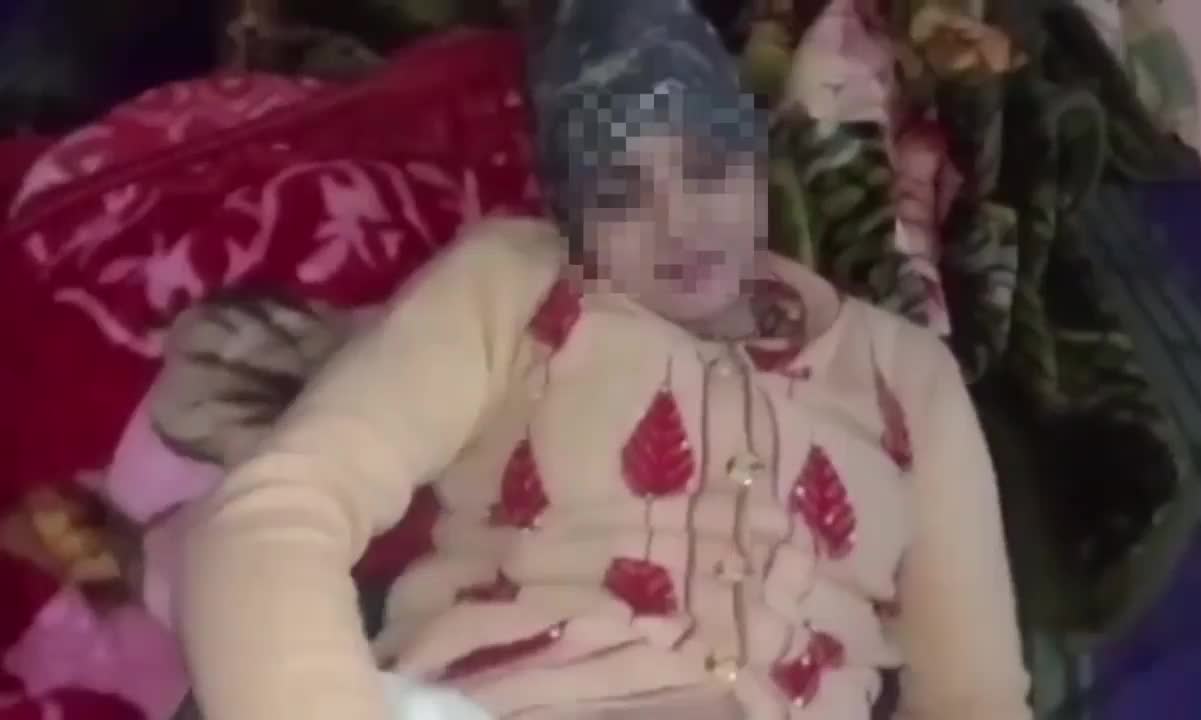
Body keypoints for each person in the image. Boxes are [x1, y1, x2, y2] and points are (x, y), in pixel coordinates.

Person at [178, 1, 1032, 718]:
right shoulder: (512, 287)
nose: (681, 226)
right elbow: (276, 514)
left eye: (708, 169)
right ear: (570, 212)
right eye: (622, 194)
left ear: (754, 157)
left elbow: (977, 700)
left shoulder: (905, 373)